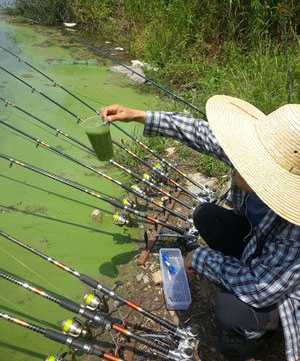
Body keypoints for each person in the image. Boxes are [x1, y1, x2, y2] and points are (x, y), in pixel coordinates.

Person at [101, 96, 300, 361]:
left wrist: (201, 258)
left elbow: (261, 288)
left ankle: (251, 340)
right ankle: (238, 269)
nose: (237, 159)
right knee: (206, 216)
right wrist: (138, 115)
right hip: (259, 243)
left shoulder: (294, 227)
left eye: (252, 162)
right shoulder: (251, 156)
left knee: (230, 311)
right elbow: (199, 132)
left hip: (282, 288)